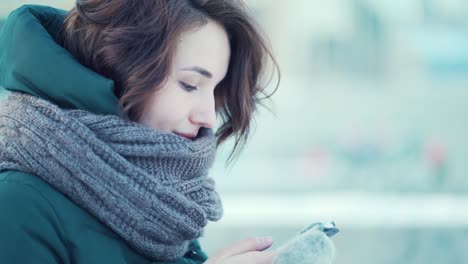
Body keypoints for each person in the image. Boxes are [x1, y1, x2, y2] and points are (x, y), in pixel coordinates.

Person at [0, 1, 279, 263]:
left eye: (215, 90)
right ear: (116, 68)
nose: (208, 117)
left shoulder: (163, 206)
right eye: (190, 85)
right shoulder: (16, 205)